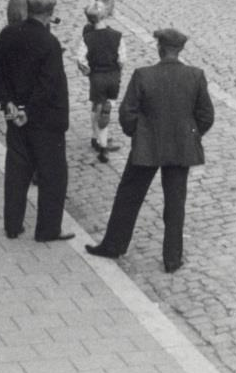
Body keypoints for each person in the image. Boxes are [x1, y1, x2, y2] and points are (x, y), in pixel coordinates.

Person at [88, 28, 215, 273]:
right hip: (180, 149)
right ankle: (172, 258)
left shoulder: (143, 75)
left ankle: (114, 245)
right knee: (175, 203)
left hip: (147, 147)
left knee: (129, 196)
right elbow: (206, 115)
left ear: (159, 48)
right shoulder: (195, 76)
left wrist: (138, 133)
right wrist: (191, 135)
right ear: (180, 50)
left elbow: (127, 113)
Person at [0, 0, 74, 243]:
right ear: (50, 13)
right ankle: (47, 230)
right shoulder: (49, 43)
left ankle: (13, 225)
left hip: (15, 115)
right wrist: (29, 112)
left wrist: (8, 103)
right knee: (53, 174)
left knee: (17, 171)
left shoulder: (8, 34)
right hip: (45, 120)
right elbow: (48, 85)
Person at [80, 0, 124, 160]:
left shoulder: (88, 34)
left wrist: (88, 71)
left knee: (96, 106)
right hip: (112, 76)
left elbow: (82, 59)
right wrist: (117, 68)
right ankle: (103, 143)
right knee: (106, 108)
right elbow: (122, 58)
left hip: (96, 77)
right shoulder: (116, 36)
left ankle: (95, 137)